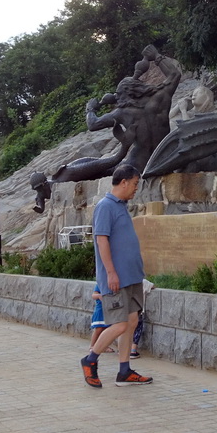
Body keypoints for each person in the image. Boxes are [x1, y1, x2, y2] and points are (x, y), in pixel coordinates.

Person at [79, 164, 152, 388]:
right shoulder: (105, 206)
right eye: (135, 184)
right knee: (119, 324)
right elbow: (102, 240)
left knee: (131, 321)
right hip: (116, 279)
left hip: (131, 277)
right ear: (123, 182)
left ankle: (124, 371)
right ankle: (90, 360)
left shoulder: (121, 206)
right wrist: (110, 272)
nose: (135, 189)